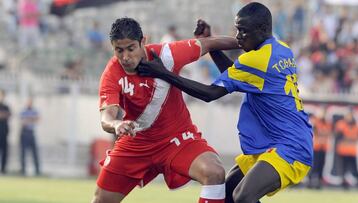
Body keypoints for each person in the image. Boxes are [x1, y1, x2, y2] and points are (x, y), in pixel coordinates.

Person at [137, 2, 313, 203]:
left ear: (262, 29)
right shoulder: (281, 49)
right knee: (227, 195)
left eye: (243, 31)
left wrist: (164, 74)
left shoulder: (256, 60)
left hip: (290, 146)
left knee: (243, 197)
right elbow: (235, 75)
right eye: (237, 30)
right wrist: (211, 45)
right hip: (277, 142)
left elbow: (210, 93)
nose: (238, 37)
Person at [91, 17, 239, 203]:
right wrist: (116, 124)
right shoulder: (112, 72)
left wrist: (252, 41)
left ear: (143, 41)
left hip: (177, 138)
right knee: (100, 200)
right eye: (119, 50)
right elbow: (107, 116)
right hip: (136, 143)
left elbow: (209, 43)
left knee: (214, 172)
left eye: (131, 48)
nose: (125, 57)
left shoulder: (168, 54)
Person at [19, 97, 40, 176]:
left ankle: (37, 171)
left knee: (35, 153)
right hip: (24, 133)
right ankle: (23, 170)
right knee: (23, 153)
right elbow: (23, 121)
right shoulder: (23, 111)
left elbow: (37, 119)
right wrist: (31, 119)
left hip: (31, 133)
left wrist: (28, 119)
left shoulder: (35, 111)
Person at [0, 89, 11, 174]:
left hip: (4, 132)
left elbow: (8, 115)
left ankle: (3, 169)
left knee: (5, 152)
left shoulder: (6, 106)